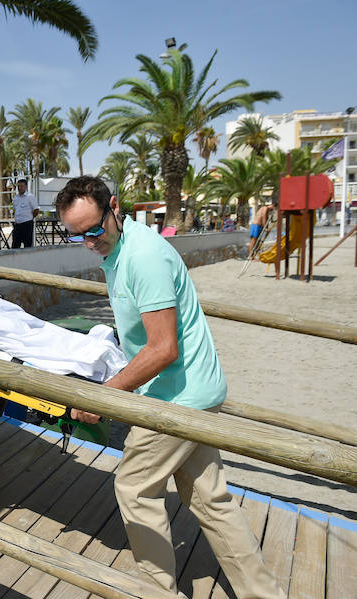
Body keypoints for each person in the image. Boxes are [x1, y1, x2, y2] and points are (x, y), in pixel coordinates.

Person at [55, 175, 284, 599]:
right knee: (210, 501)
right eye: (76, 235)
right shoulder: (123, 243)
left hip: (178, 397)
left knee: (134, 486)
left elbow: (163, 349)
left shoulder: (142, 257)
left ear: (115, 207)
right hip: (197, 388)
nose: (89, 241)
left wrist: (104, 396)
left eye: (93, 229)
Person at [11, 178, 39, 248]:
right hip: (17, 225)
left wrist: (30, 218)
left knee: (27, 245)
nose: (20, 188)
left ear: (26, 187)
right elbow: (15, 209)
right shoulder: (16, 198)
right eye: (18, 186)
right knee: (15, 245)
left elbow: (36, 210)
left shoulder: (30, 197)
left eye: (22, 186)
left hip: (27, 224)